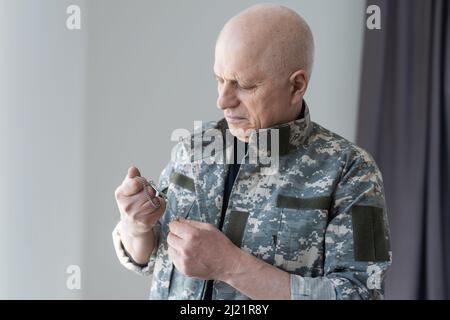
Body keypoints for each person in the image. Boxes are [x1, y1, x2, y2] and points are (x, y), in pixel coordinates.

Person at [112, 3, 392, 300]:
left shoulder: (350, 170)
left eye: (244, 85)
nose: (222, 100)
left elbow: (362, 294)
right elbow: (151, 258)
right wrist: (136, 226)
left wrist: (231, 266)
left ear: (297, 85)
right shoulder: (195, 149)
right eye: (219, 80)